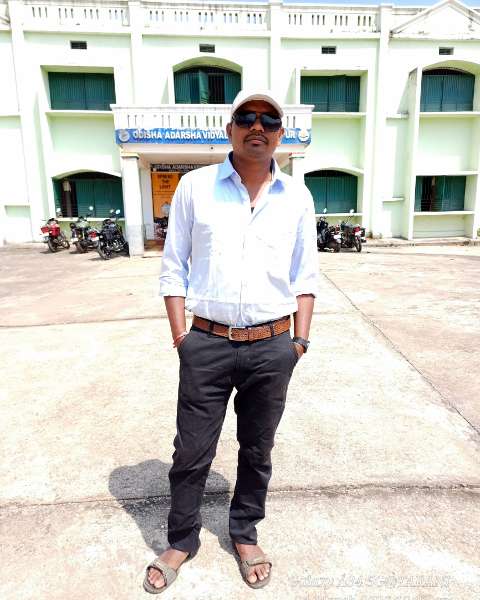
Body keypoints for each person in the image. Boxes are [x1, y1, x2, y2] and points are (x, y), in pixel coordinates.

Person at [144, 89, 317, 593]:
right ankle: (181, 540)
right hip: (206, 343)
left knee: (257, 449)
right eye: (246, 117)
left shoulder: (297, 197)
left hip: (273, 345)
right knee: (191, 451)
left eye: (269, 120)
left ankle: (244, 533)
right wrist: (182, 336)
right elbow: (173, 267)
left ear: (281, 134)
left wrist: (299, 342)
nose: (257, 126)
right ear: (230, 129)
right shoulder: (195, 188)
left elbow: (305, 276)